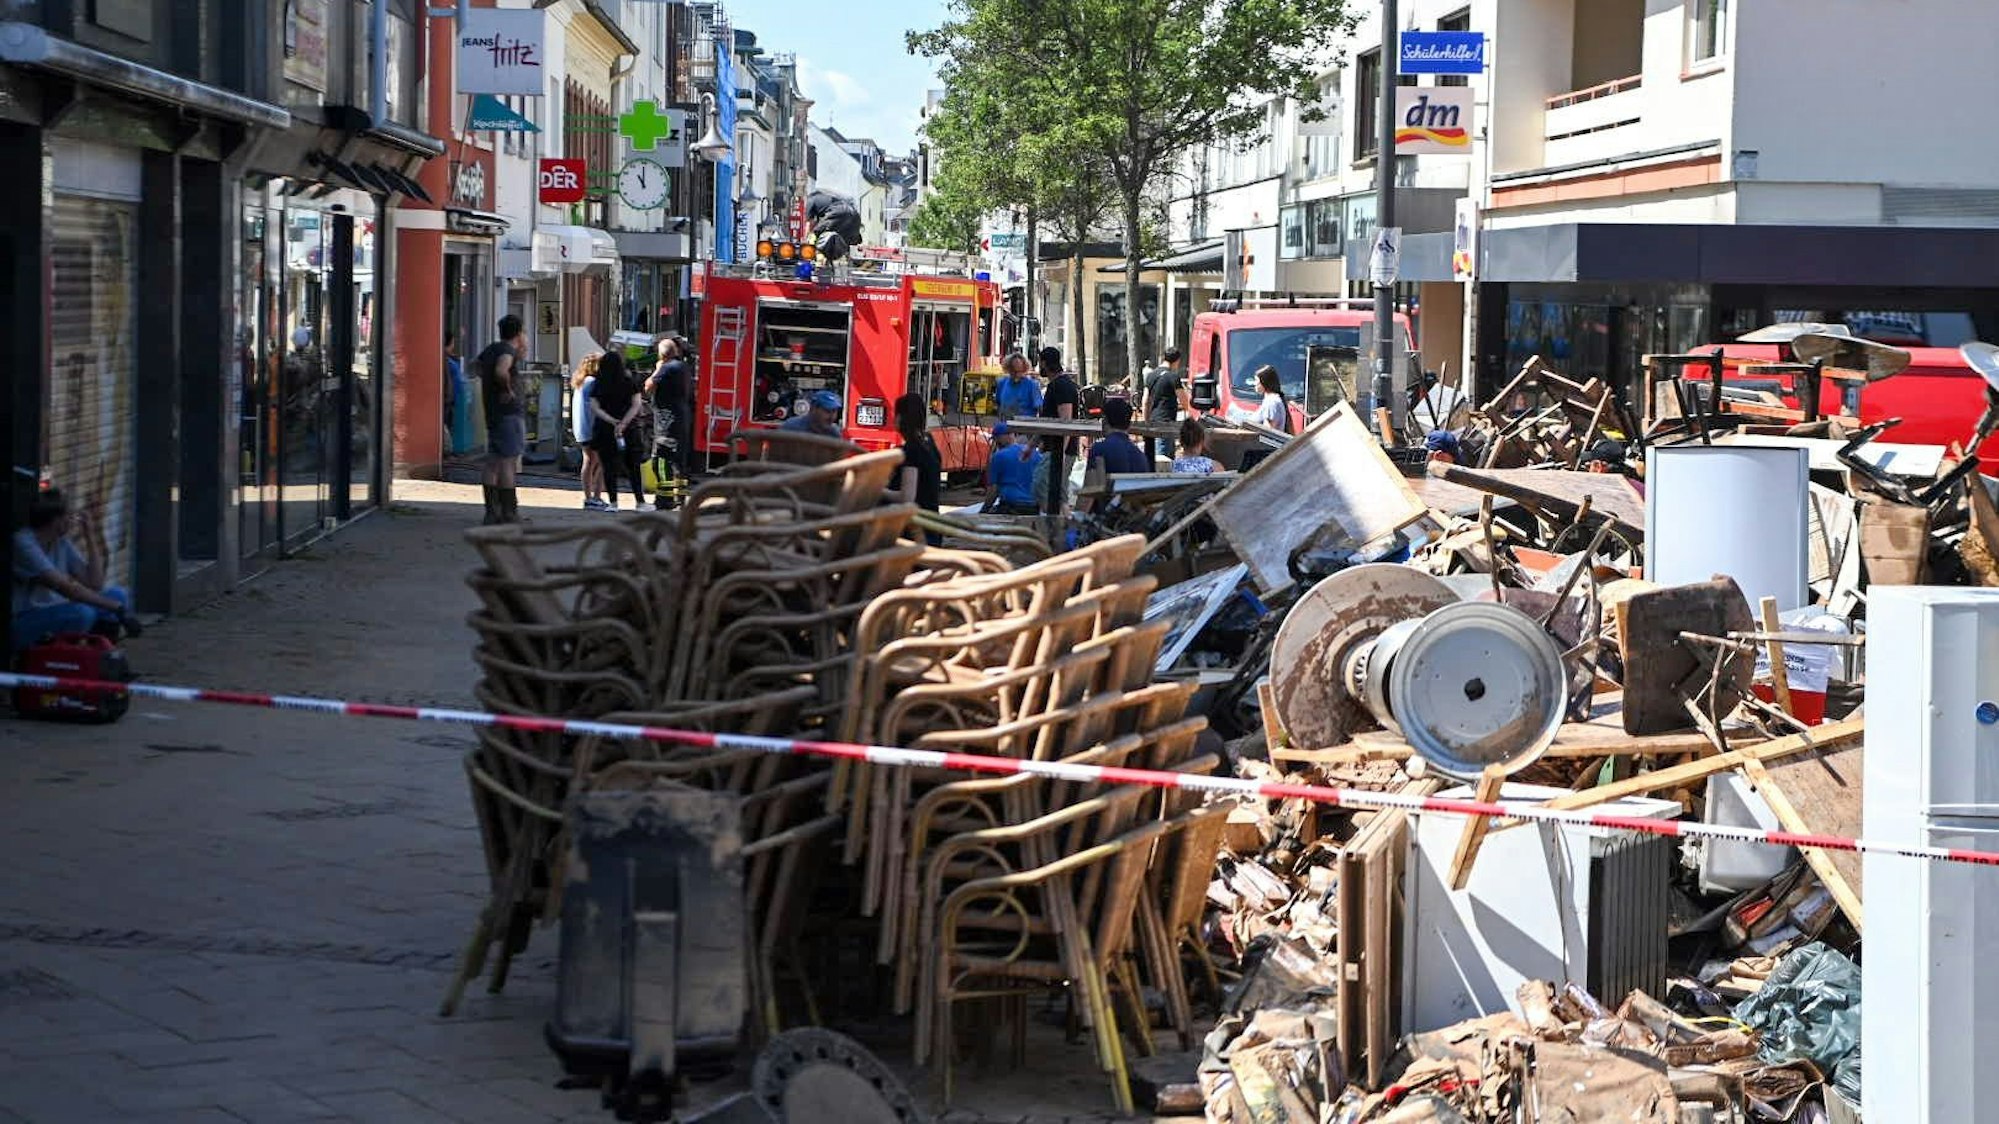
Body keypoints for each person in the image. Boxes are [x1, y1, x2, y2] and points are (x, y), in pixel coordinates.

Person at [10, 489, 139, 653]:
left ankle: (102, 658)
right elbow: (68, 589)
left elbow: (95, 582)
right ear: (57, 521)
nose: (73, 520)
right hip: (26, 619)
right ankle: (59, 660)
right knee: (82, 613)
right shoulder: (24, 543)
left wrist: (89, 534)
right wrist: (117, 608)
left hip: (58, 611)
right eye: (69, 516)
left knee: (117, 594)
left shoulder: (61, 542)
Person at [477, 314, 529, 524]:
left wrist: (489, 387)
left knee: (493, 462)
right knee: (508, 462)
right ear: (518, 333)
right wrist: (507, 389)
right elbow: (501, 370)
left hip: (494, 412)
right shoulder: (507, 351)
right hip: (508, 413)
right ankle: (509, 512)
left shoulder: (491, 349)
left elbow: (476, 367)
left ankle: (492, 511)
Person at [588, 351, 650, 511]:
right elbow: (636, 404)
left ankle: (613, 503)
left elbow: (594, 407)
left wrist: (611, 420)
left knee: (608, 467)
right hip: (629, 430)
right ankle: (640, 502)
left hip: (605, 429)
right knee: (633, 467)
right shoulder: (629, 382)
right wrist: (623, 423)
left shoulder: (598, 383)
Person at [644, 336, 693, 507]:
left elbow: (648, 387)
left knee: (660, 460)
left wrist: (657, 369)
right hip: (682, 419)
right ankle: (681, 498)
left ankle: (664, 499)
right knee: (679, 462)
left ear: (661, 354)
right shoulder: (683, 367)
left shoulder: (666, 368)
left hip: (666, 423)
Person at [891, 392, 944, 544]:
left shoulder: (912, 450)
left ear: (901, 418)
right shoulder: (929, 442)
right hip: (932, 527)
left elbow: (907, 497)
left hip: (916, 533)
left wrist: (877, 491)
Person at [570, 353, 609, 511]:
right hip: (593, 428)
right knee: (601, 462)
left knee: (588, 461)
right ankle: (596, 497)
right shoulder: (593, 382)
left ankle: (589, 497)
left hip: (582, 428)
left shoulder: (581, 383)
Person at [1141, 347, 1190, 466]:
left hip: (1152, 423)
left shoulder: (1151, 375)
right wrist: (1189, 411)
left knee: (1151, 460)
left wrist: (1146, 422)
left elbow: (1145, 401)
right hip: (1166, 424)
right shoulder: (1173, 377)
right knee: (1164, 461)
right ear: (1177, 361)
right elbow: (1184, 400)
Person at [983, 420, 1043, 515]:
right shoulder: (1036, 454)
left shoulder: (998, 456)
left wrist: (983, 511)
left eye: (996, 439)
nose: (995, 442)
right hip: (1033, 508)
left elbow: (993, 490)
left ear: (1002, 437)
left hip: (1010, 506)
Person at [1088, 398, 1149, 477]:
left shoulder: (1098, 449)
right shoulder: (1140, 456)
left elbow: (1091, 481)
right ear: (1129, 424)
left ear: (1104, 421)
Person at [1238, 364, 1293, 435]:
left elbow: (1268, 432)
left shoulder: (1272, 402)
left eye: (1256, 380)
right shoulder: (1270, 400)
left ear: (1265, 382)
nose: (1254, 383)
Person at [993, 351, 1042, 420]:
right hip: (1005, 422)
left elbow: (1039, 407)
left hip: (1025, 424)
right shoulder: (1002, 383)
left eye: (1020, 371)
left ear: (1024, 369)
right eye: (1014, 371)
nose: (1017, 375)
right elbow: (998, 403)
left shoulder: (1032, 385)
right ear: (1008, 369)